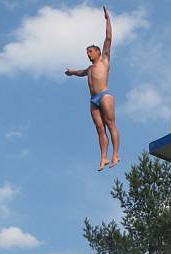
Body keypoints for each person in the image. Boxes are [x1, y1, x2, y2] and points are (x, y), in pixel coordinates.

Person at [65, 6, 120, 171]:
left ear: (97, 52)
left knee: (111, 125)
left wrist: (107, 20)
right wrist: (71, 72)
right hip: (93, 100)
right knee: (99, 129)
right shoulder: (89, 70)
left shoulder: (104, 60)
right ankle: (103, 157)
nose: (88, 54)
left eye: (90, 52)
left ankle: (115, 154)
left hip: (104, 95)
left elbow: (108, 39)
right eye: (86, 53)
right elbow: (81, 72)